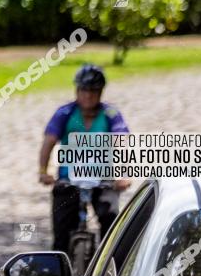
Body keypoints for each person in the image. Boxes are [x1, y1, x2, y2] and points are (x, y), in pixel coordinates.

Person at [38, 64, 131, 253]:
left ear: (100, 92)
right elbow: (49, 142)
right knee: (61, 234)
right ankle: (59, 275)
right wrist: (43, 172)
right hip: (68, 178)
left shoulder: (110, 114)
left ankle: (111, 269)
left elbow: (121, 142)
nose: (88, 95)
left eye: (93, 91)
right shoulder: (64, 113)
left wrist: (122, 173)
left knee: (111, 224)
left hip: (103, 177)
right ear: (77, 90)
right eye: (84, 90)